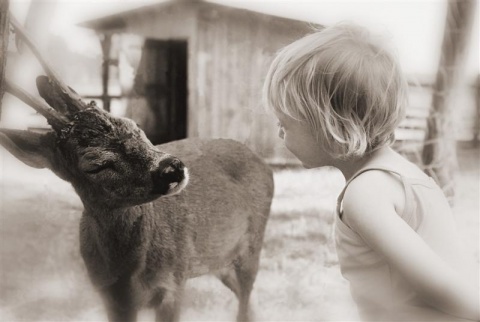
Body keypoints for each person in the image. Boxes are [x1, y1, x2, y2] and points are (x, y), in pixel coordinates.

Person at [263, 22, 479, 321]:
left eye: (285, 123)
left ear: (330, 125)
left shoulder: (365, 194)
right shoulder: (402, 173)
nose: (279, 133)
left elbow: (441, 287)